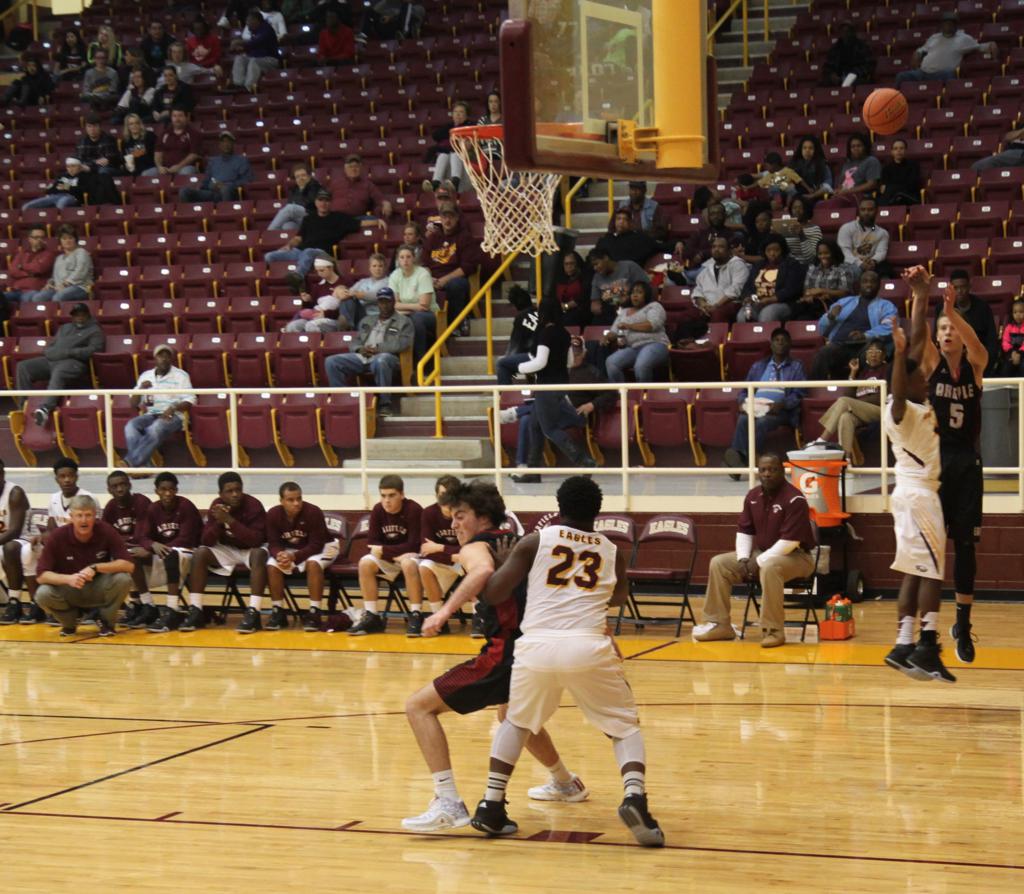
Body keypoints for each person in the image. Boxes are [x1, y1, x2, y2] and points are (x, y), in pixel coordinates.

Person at [466, 476, 664, 847]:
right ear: (598, 511)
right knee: (624, 727)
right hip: (587, 644)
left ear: (559, 507)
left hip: (537, 646)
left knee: (517, 722)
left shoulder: (534, 541)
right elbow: (618, 597)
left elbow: (493, 593)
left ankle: (491, 805)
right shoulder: (612, 551)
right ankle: (634, 797)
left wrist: (507, 564)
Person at [402, 480, 586, 833]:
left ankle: (448, 802)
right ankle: (566, 783)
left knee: (418, 707)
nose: (454, 524)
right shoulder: (522, 544)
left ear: (483, 518)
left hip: (506, 652)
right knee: (513, 717)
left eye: (460, 516)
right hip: (541, 650)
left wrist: (442, 613)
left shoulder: (478, 547)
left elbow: (483, 571)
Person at [908, 265, 987, 666]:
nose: (947, 332)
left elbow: (976, 344)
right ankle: (928, 629)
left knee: (966, 547)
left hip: (968, 464)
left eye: (952, 328)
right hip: (936, 465)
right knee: (932, 547)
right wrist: (921, 296)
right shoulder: (932, 365)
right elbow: (916, 337)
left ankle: (963, 624)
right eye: (942, 329)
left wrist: (952, 311)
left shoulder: (975, 366)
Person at [882, 317, 954, 682]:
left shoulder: (912, 403)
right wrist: (898, 356)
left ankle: (903, 644)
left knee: (914, 571)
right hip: (919, 497)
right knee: (932, 574)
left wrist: (921, 296)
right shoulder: (901, 411)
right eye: (920, 378)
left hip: (910, 496)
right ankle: (927, 645)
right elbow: (898, 391)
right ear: (906, 383)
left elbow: (917, 347)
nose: (926, 380)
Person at [695, 453, 816, 647]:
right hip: (764, 554)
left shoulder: (795, 499)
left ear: (782, 471)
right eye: (763, 470)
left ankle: (773, 631)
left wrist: (758, 562)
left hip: (797, 557)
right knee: (719, 563)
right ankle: (719, 625)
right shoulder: (753, 496)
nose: (767, 474)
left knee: (770, 567)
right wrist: (743, 559)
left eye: (772, 469)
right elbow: (745, 531)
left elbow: (789, 542)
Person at [158, 472, 267, 634]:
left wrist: (229, 520)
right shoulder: (216, 506)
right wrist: (218, 523)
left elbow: (256, 540)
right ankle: (196, 609)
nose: (235, 494)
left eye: (238, 490)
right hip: (227, 549)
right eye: (229, 491)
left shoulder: (253, 505)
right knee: (200, 553)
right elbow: (206, 541)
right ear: (221, 494)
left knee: (259, 554)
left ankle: (254, 612)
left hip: (250, 549)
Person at [514, 296, 597, 480]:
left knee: (550, 428)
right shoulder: (565, 333)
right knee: (535, 426)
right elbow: (570, 362)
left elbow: (540, 362)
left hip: (547, 386)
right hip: (561, 384)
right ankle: (533, 472)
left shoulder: (546, 333)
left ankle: (584, 460)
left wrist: (519, 367)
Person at [34, 495, 134, 638]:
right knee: (42, 594)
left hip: (98, 586)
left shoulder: (106, 530)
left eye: (88, 515)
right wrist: (69, 579)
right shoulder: (58, 536)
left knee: (123, 579)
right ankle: (70, 622)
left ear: (95, 516)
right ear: (71, 517)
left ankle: (105, 621)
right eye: (79, 515)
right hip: (70, 588)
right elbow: (41, 575)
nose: (84, 520)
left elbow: (129, 565)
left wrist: (95, 567)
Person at [125, 472, 202, 630]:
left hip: (188, 552)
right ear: (157, 491)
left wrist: (155, 550)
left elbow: (186, 539)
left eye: (171, 489)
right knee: (132, 556)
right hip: (164, 553)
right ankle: (148, 605)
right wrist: (152, 545)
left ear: (176, 490)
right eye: (163, 489)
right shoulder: (153, 509)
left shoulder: (186, 506)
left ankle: (172, 609)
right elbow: (142, 536)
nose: (167, 493)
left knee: (171, 554)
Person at [724, 329, 806, 475]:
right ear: (771, 344)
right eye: (777, 340)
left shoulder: (797, 366)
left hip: (781, 411)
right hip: (756, 407)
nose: (780, 343)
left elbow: (799, 393)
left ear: (790, 344)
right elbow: (744, 391)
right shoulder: (759, 366)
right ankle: (744, 458)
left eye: (784, 340)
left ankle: (741, 461)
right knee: (743, 419)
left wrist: (782, 404)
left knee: (762, 422)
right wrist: (743, 403)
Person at [347, 475, 422, 636]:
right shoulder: (378, 510)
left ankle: (416, 614)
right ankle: (372, 616)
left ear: (402, 494)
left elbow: (414, 544)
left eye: (391, 495)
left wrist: (385, 551)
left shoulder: (414, 509)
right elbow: (372, 543)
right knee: (365, 563)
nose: (387, 500)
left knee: (408, 563)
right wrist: (393, 555)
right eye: (383, 496)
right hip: (392, 557)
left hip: (412, 556)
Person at [324, 288, 414, 417]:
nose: (384, 305)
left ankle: (385, 405)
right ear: (377, 303)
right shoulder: (367, 320)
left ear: (394, 302)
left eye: (387, 302)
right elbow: (356, 341)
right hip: (363, 355)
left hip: (389, 357)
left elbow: (402, 344)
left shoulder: (404, 321)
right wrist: (359, 349)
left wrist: (378, 348)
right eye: (381, 302)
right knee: (331, 361)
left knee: (381, 360)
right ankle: (341, 400)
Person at [265, 482, 337, 632]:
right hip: (294, 550)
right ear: (281, 501)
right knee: (272, 565)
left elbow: (316, 545)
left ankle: (315, 612)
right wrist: (279, 555)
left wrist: (294, 556)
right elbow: (273, 543)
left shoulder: (313, 512)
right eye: (290, 500)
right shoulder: (273, 514)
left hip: (325, 546)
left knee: (313, 563)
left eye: (299, 498)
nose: (296, 503)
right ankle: (278, 611)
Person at [17, 301, 101, 427]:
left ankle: (45, 408)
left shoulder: (95, 330)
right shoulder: (64, 328)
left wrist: (69, 352)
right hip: (53, 360)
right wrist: (50, 353)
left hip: (74, 363)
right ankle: (24, 405)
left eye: (82, 314)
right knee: (23, 367)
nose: (79, 317)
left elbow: (95, 350)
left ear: (88, 315)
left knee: (60, 372)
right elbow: (50, 346)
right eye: (76, 314)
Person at [807, 338, 890, 465]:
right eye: (870, 351)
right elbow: (848, 395)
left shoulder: (887, 370)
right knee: (845, 417)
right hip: (862, 411)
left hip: (881, 410)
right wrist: (853, 372)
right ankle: (846, 461)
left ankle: (822, 441)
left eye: (877, 351)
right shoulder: (863, 373)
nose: (873, 354)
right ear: (866, 355)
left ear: (883, 355)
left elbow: (881, 397)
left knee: (845, 402)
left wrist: (857, 402)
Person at [404, 474, 461, 637]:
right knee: (423, 566)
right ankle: (438, 619)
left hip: (461, 563)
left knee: (473, 565)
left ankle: (479, 616)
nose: (446, 499)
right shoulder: (429, 513)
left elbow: (469, 550)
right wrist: (451, 554)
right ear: (436, 496)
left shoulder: (466, 513)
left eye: (450, 494)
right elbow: (426, 550)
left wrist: (439, 548)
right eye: (442, 494)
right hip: (447, 560)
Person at [813, 270, 898, 379]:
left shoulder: (886, 306)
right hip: (840, 345)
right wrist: (829, 317)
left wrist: (865, 335)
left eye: (873, 281)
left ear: (879, 285)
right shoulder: (844, 302)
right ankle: (816, 388)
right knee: (823, 353)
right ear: (859, 284)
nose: (869, 284)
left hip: (865, 346)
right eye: (865, 281)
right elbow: (821, 330)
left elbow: (889, 327)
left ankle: (866, 388)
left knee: (870, 354)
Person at [124, 343, 196, 467]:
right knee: (131, 426)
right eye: (160, 356)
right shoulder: (146, 376)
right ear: (155, 358)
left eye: (167, 356)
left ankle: (131, 463)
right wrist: (141, 389)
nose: (164, 359)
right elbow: (133, 403)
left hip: (174, 416)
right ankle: (143, 467)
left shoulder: (181, 376)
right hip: (151, 414)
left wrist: (173, 408)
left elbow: (190, 400)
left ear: (171, 359)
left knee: (156, 427)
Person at [263, 188, 360, 277]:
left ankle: (297, 277)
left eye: (326, 200)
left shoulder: (339, 217)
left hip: (322, 253)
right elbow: (298, 237)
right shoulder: (308, 219)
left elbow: (360, 223)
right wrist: (289, 245)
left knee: (308, 251)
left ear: (330, 203)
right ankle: (277, 280)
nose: (323, 203)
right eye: (320, 200)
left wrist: (371, 221)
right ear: (316, 202)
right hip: (299, 251)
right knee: (269, 256)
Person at [422, 202, 481, 336]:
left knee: (457, 285)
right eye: (444, 216)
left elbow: (468, 267)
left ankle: (455, 325)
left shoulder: (465, 237)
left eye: (451, 216)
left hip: (454, 278)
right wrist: (429, 278)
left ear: (457, 218)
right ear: (440, 218)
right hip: (432, 279)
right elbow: (424, 263)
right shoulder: (433, 238)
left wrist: (444, 280)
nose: (447, 220)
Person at [895, 12, 996, 85]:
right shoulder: (934, 37)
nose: (948, 25)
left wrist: (992, 45)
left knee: (949, 74)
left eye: (951, 23)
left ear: (956, 25)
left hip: (942, 74)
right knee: (901, 76)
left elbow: (983, 47)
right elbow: (921, 50)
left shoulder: (964, 39)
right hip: (923, 72)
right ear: (941, 25)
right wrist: (917, 54)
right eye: (946, 23)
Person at [101, 471, 151, 613]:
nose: (119, 489)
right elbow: (105, 537)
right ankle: (109, 603)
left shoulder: (141, 502)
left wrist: (120, 541)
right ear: (109, 490)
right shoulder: (110, 507)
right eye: (115, 486)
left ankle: (148, 604)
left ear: (129, 485)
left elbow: (141, 535)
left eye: (123, 484)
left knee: (130, 556)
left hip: (147, 551)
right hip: (125, 552)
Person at [604, 281, 670, 383]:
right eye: (633, 292)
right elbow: (614, 332)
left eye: (639, 292)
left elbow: (653, 325)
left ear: (646, 294)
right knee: (611, 362)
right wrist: (607, 337)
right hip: (632, 348)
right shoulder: (624, 312)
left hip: (655, 344)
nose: (635, 295)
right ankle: (620, 392)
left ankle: (643, 392)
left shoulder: (654, 306)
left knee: (641, 365)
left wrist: (629, 326)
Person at [934, 269, 998, 372]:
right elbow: (936, 337)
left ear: (969, 286)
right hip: (950, 360)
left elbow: (991, 339)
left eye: (963, 287)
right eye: (956, 288)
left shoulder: (983, 307)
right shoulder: (942, 307)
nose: (960, 291)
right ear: (950, 288)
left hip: (978, 358)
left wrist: (986, 363)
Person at [737, 235, 806, 323]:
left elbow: (791, 289)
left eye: (776, 250)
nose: (772, 253)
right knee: (743, 315)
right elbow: (748, 286)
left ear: (782, 250)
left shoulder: (791, 264)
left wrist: (770, 299)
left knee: (767, 314)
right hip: (757, 302)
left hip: (782, 303)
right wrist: (749, 298)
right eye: (768, 250)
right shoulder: (758, 265)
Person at [687, 235, 750, 327]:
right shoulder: (707, 269)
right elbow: (698, 290)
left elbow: (735, 290)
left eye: (721, 247)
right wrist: (703, 305)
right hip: (709, 305)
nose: (716, 249)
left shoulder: (738, 265)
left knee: (717, 313)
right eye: (714, 247)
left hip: (730, 304)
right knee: (688, 314)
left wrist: (716, 306)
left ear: (729, 250)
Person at [389, 244, 437, 361]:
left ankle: (421, 359)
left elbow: (424, 305)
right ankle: (397, 361)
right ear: (398, 260)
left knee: (415, 319)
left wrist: (403, 308)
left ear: (414, 258)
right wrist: (414, 307)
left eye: (408, 257)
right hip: (406, 313)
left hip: (430, 314)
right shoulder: (394, 275)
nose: (405, 260)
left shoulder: (423, 274)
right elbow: (393, 304)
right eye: (402, 257)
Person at [283, 256, 354, 333]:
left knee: (311, 326)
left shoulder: (345, 283)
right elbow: (311, 308)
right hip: (315, 317)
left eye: (322, 270)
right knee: (293, 326)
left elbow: (348, 308)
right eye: (317, 271)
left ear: (331, 268)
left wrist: (326, 314)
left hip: (334, 319)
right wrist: (307, 301)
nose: (319, 274)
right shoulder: (318, 286)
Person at [794, 238, 858, 320]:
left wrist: (822, 291)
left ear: (834, 253)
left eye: (826, 253)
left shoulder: (844, 269)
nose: (823, 256)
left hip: (836, 306)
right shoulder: (812, 268)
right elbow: (806, 291)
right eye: (820, 254)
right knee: (800, 316)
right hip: (814, 305)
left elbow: (845, 292)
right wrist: (809, 296)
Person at [178, 132, 252, 203]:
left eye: (228, 141)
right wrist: (209, 186)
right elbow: (206, 182)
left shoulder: (241, 160)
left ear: (233, 144)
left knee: (225, 190)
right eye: (223, 141)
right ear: (219, 145)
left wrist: (226, 185)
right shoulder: (213, 161)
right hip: (212, 192)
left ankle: (226, 211)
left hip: (230, 192)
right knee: (184, 191)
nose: (226, 144)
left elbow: (246, 180)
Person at [0, 460, 31, 625]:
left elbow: (15, 531)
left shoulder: (14, 492)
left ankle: (14, 601)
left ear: (3, 474)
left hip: (24, 540)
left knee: (9, 548)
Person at [588, 247, 651, 325]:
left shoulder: (629, 266)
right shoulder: (597, 277)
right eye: (593, 266)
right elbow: (595, 304)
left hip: (633, 307)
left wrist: (627, 298)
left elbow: (646, 288)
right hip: (610, 312)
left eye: (596, 264)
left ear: (606, 258)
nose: (595, 268)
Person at [230, 8, 280, 93]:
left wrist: (239, 42)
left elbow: (257, 41)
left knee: (254, 61)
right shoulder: (255, 32)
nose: (247, 23)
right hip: (257, 58)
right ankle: (238, 85)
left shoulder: (266, 29)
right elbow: (253, 47)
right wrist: (241, 48)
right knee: (239, 58)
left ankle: (248, 88)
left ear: (256, 20)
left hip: (271, 60)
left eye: (249, 21)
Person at [423, 101, 469, 193]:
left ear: (466, 115)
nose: (458, 114)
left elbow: (464, 147)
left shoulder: (469, 127)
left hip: (466, 169)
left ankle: (455, 182)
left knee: (455, 153)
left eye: (461, 112)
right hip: (448, 171)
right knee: (443, 155)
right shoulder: (449, 127)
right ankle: (435, 183)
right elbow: (435, 135)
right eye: (455, 112)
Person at [3, 227, 57, 305]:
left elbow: (39, 268)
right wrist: (31, 274)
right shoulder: (22, 253)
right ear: (29, 239)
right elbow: (13, 271)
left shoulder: (49, 254)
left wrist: (21, 267)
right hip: (16, 290)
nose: (39, 240)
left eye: (42, 237)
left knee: (26, 302)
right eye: (36, 237)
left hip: (34, 290)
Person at [496, 286, 538, 385]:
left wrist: (509, 362)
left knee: (502, 364)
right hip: (549, 354)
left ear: (515, 305)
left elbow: (515, 346)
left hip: (536, 356)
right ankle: (532, 387)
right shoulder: (541, 313)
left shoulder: (521, 317)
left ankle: (506, 393)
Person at [825, 133, 880, 208]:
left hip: (861, 197)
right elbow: (842, 184)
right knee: (820, 205)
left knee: (829, 205)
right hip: (844, 196)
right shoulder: (847, 163)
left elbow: (872, 184)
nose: (855, 148)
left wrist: (847, 191)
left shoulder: (871, 161)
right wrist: (838, 191)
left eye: (859, 146)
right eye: (853, 146)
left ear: (865, 147)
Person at [333, 154, 393, 222]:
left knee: (375, 220)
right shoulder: (335, 183)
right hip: (337, 218)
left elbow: (379, 197)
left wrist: (385, 203)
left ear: (361, 168)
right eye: (350, 167)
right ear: (345, 169)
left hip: (358, 219)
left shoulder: (368, 185)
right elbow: (325, 197)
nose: (353, 169)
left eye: (356, 166)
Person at [145, 106, 201, 175]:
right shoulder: (164, 134)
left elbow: (193, 155)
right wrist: (159, 167)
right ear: (171, 118)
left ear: (186, 117)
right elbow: (158, 152)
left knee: (185, 172)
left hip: (185, 167)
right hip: (165, 168)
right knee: (146, 174)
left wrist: (179, 166)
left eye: (180, 116)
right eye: (174, 116)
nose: (177, 119)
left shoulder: (193, 134)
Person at [267, 163, 323, 231]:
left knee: (290, 208)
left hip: (313, 217)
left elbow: (310, 204)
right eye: (297, 176)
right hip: (300, 220)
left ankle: (269, 233)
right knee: (287, 226)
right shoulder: (294, 190)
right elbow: (290, 203)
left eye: (303, 175)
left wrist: (303, 189)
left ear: (309, 176)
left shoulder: (315, 186)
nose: (300, 178)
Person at [594, 209, 659, 267]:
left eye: (625, 219)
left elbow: (658, 246)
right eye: (618, 219)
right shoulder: (606, 239)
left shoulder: (640, 238)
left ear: (630, 223)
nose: (621, 222)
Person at [22, 158, 89, 211]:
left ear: (79, 167)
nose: (70, 169)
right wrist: (48, 189)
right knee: (27, 207)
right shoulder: (62, 176)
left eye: (73, 166)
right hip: (55, 196)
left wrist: (67, 187)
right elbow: (53, 188)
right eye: (68, 167)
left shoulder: (84, 176)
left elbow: (83, 190)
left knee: (61, 205)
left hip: (72, 197)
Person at [822, 21, 875, 87]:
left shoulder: (862, 46)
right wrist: (831, 74)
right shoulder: (835, 48)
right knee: (824, 83)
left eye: (847, 31)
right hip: (839, 76)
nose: (845, 34)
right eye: (842, 31)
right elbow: (827, 66)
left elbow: (869, 64)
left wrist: (855, 73)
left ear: (853, 32)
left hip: (857, 76)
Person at [777, 196, 822, 265]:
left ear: (807, 210)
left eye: (800, 208)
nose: (797, 210)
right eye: (794, 208)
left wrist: (802, 235)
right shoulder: (786, 228)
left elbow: (812, 257)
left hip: (808, 265)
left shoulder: (815, 229)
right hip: (788, 265)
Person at [554, 250, 592, 327]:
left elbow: (584, 297)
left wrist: (566, 306)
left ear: (577, 263)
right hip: (561, 311)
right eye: (566, 264)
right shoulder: (560, 278)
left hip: (579, 312)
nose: (569, 267)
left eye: (571, 263)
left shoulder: (585, 277)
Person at [878, 139, 922, 206]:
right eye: (895, 149)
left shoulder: (913, 166)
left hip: (908, 196)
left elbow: (912, 185)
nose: (899, 151)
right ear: (892, 152)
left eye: (901, 148)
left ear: (906, 151)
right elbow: (884, 189)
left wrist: (893, 186)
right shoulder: (886, 168)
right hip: (891, 196)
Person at [998, 299, 1024, 377]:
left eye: (1021, 312)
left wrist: (1019, 354)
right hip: (1011, 353)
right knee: (1005, 369)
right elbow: (1005, 342)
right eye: (1015, 312)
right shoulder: (1009, 327)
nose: (1018, 315)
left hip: (1022, 353)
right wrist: (1012, 352)